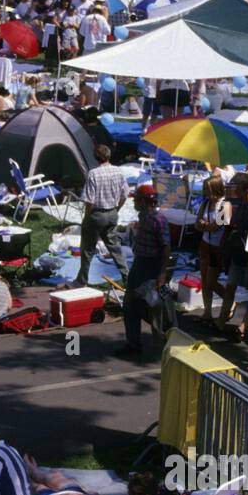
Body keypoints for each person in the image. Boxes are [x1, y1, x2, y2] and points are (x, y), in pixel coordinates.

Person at [118, 185, 171, 359]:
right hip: (139, 264)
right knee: (130, 304)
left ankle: (164, 346)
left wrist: (162, 274)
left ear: (143, 201)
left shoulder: (158, 220)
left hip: (151, 267)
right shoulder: (143, 217)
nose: (133, 201)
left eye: (136, 199)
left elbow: (166, 247)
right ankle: (134, 343)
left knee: (155, 307)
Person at [215, 173, 248, 339]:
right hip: (237, 253)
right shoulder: (240, 206)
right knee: (230, 286)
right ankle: (221, 321)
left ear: (246, 189)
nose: (234, 190)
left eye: (237, 187)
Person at [73, 144, 129, 289]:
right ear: (109, 156)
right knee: (115, 248)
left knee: (87, 250)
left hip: (97, 215)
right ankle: (127, 277)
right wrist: (116, 209)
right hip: (112, 213)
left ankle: (82, 280)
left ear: (96, 157)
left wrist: (86, 218)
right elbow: (125, 194)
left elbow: (89, 200)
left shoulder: (94, 173)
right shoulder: (119, 171)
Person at [195, 175, 231, 324]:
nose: (204, 192)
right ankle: (207, 312)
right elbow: (197, 223)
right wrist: (205, 225)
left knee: (211, 281)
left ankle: (230, 301)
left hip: (218, 247)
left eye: (207, 189)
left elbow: (217, 226)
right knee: (204, 278)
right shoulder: (205, 203)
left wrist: (205, 225)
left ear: (215, 188)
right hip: (205, 244)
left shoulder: (226, 205)